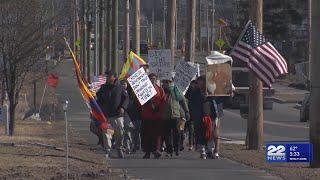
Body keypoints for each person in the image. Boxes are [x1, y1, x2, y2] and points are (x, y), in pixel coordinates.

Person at [96, 70, 129, 158]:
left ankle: (119, 148)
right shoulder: (103, 88)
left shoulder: (119, 87)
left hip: (117, 115)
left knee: (119, 133)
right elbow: (98, 99)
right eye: (107, 76)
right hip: (106, 115)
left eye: (109, 76)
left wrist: (122, 107)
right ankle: (108, 150)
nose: (107, 77)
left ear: (114, 77)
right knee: (107, 133)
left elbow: (126, 98)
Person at [140, 73, 166, 159]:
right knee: (146, 134)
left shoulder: (160, 89)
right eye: (150, 78)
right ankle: (147, 151)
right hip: (146, 115)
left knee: (157, 134)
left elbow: (163, 101)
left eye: (154, 78)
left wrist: (159, 109)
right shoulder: (143, 89)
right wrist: (147, 103)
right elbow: (139, 101)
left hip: (157, 116)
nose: (152, 80)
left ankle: (156, 150)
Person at [162, 79, 190, 157]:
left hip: (176, 115)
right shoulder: (162, 92)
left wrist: (186, 112)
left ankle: (176, 148)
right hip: (165, 116)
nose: (167, 84)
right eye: (165, 82)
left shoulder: (176, 91)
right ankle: (169, 150)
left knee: (177, 133)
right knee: (167, 134)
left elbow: (183, 101)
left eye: (169, 82)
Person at [197, 76, 220, 159]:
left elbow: (219, 100)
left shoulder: (212, 91)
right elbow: (193, 101)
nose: (199, 84)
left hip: (212, 116)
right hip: (201, 116)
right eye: (198, 82)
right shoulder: (196, 92)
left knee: (211, 133)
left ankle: (211, 150)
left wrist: (209, 96)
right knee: (201, 133)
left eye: (201, 82)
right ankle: (202, 150)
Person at [185, 80, 198, 150]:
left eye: (194, 84)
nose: (193, 85)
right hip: (190, 112)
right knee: (191, 129)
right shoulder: (189, 91)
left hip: (197, 113)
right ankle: (191, 144)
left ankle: (196, 144)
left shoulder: (198, 91)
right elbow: (186, 97)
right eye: (192, 84)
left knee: (196, 129)